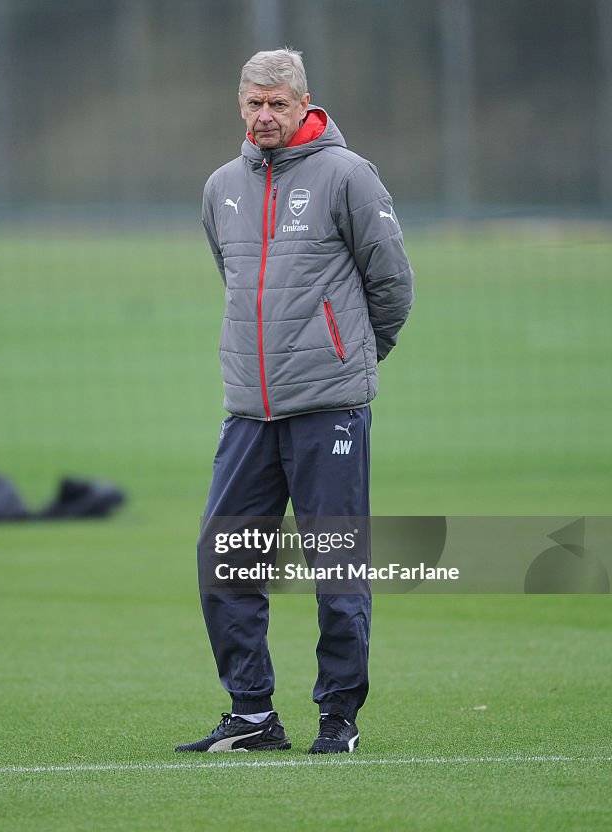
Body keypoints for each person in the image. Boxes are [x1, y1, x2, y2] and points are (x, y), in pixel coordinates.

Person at [175, 49, 413, 754]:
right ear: (239, 106)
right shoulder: (221, 185)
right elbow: (234, 278)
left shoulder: (348, 175)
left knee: (336, 567)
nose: (265, 116)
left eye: (278, 103)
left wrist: (350, 360)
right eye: (254, 103)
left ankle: (338, 719)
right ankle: (252, 715)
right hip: (249, 411)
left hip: (329, 408)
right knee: (226, 559)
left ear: (305, 103)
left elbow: (391, 284)